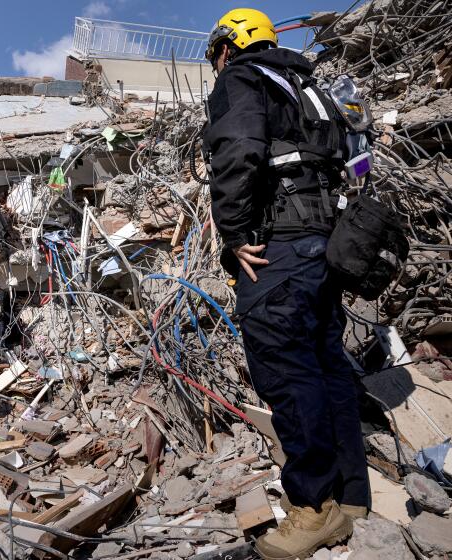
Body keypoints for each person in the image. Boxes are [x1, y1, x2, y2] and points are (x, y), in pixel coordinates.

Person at [202, 8, 370, 559]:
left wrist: (232, 233)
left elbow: (237, 151)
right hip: (328, 244)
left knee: (286, 371)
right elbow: (355, 159)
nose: (216, 65)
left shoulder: (242, 78)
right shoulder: (309, 85)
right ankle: (351, 498)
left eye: (215, 55)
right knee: (326, 363)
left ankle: (313, 508)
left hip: (282, 248)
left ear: (228, 46)